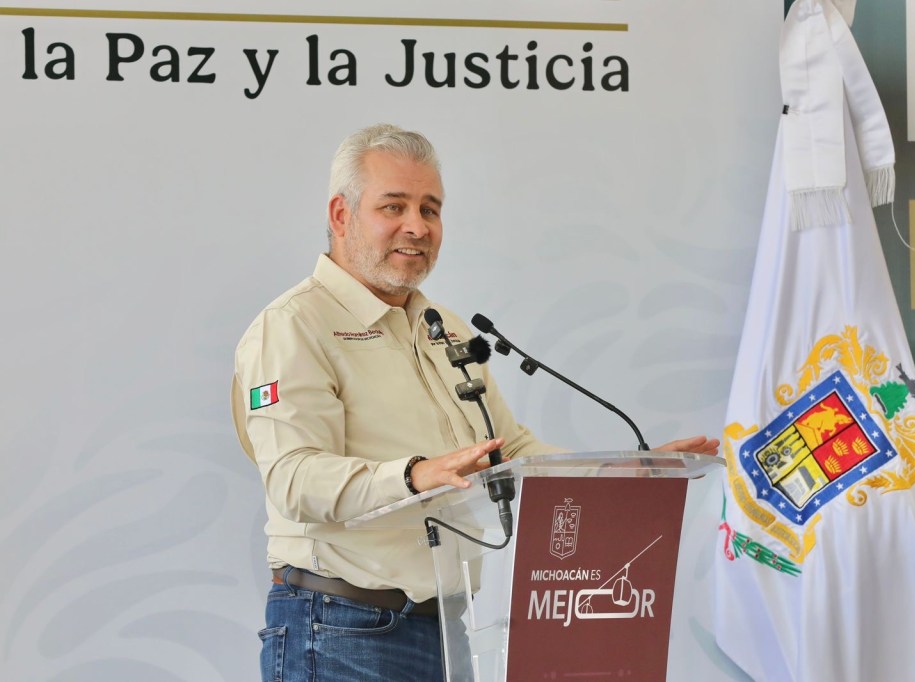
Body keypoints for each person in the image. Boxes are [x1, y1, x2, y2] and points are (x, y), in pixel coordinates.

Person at [231, 123, 720, 681]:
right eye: (393, 207)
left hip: (446, 628)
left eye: (430, 209)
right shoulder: (294, 326)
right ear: (341, 216)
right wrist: (414, 476)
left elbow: (508, 450)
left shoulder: (444, 329)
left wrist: (623, 474)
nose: (416, 227)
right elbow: (294, 478)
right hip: (340, 627)